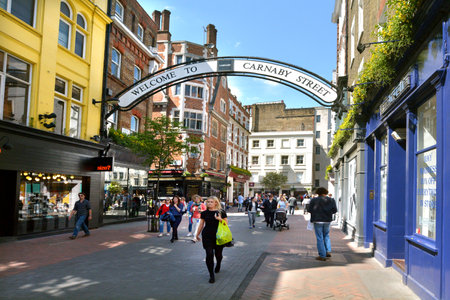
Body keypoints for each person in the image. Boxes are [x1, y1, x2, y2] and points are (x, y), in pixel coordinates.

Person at [195, 196, 227, 284]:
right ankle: (211, 275)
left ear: (216, 203)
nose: (209, 203)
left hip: (218, 236)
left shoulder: (221, 212)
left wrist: (219, 219)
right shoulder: (204, 213)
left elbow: (226, 224)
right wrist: (197, 235)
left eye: (211, 202)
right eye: (208, 202)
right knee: (209, 254)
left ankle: (219, 263)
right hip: (207, 236)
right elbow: (201, 224)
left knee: (218, 254)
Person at [309, 187, 337, 261]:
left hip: (317, 220)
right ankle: (328, 251)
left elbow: (309, 210)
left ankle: (322, 255)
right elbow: (334, 210)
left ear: (318, 192)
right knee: (326, 235)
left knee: (319, 237)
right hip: (327, 220)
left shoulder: (314, 200)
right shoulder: (331, 200)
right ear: (326, 192)